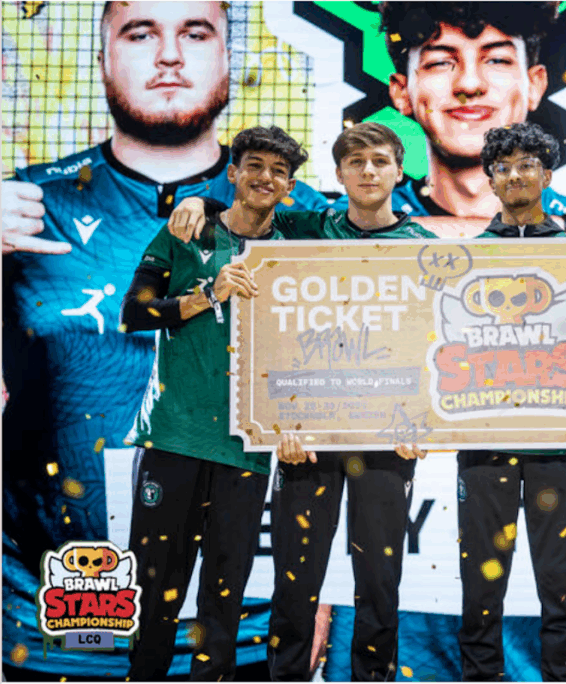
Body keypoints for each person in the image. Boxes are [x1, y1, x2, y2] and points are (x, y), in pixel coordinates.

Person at [1, 2, 327, 678]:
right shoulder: (21, 206)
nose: (169, 54)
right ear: (103, 57)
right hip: (53, 630)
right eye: (141, 32)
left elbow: (354, 399)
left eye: (195, 33)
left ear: (229, 59)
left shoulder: (310, 221)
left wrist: (327, 596)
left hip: (247, 631)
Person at [166, 122, 435, 681]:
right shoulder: (306, 226)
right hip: (305, 438)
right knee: (295, 581)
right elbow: (246, 207)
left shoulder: (423, 247)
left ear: (398, 171)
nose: (367, 171)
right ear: (338, 174)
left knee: (379, 585)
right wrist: (197, 200)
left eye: (379, 161)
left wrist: (425, 422)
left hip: (386, 439)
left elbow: (435, 341)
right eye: (355, 162)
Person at [119, 125, 307, 679]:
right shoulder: (186, 232)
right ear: (232, 172)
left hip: (246, 447)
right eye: (254, 166)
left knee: (224, 593)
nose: (265, 178)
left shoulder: (296, 248)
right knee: (155, 585)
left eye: (278, 171)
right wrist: (207, 294)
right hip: (174, 436)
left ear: (289, 187)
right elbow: (134, 313)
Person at [451, 122, 566, 681]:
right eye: (503, 166)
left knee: (563, 588)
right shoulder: (465, 260)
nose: (515, 174)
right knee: (480, 589)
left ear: (547, 175)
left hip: (558, 446)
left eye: (527, 164)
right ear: (490, 180)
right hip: (483, 444)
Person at [377, 1, 566, 237]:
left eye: (497, 60)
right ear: (402, 93)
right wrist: (564, 231)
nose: (469, 84)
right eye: (440, 62)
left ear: (534, 86)